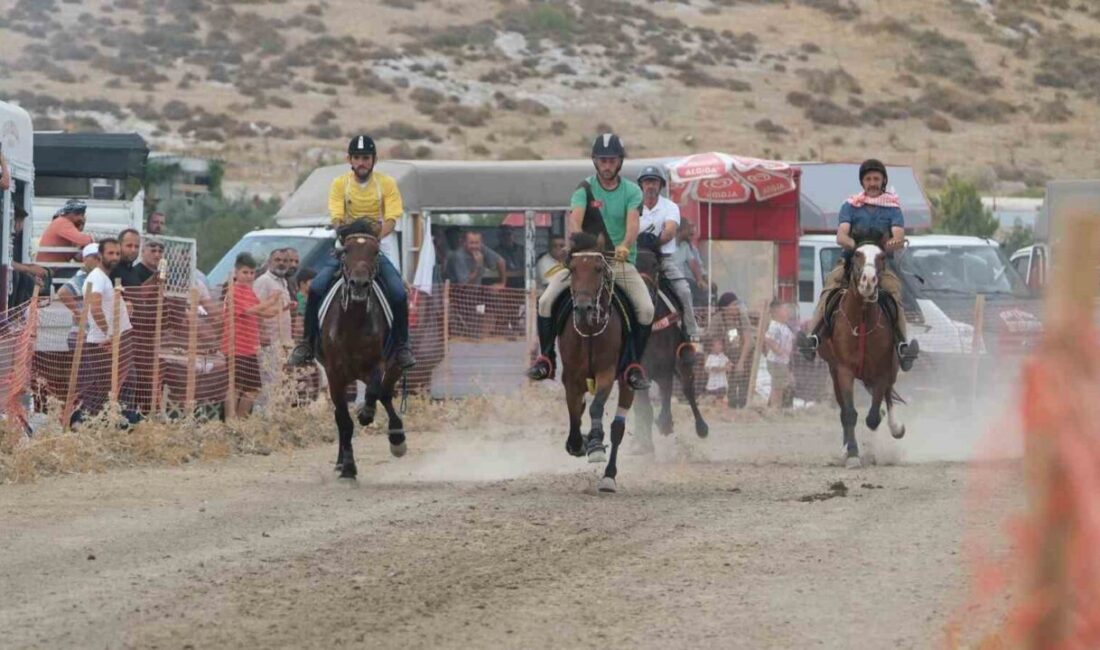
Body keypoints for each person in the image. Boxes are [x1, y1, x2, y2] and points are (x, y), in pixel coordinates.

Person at [527, 133, 655, 390]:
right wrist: (579, 243)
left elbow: (632, 225)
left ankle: (632, 365)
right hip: (585, 261)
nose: (607, 165)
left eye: (612, 160)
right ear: (595, 161)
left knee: (647, 309)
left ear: (619, 162)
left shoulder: (632, 191)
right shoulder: (583, 188)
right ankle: (547, 358)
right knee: (545, 300)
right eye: (602, 160)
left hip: (619, 262)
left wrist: (625, 246)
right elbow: (575, 221)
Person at [289, 134, 415, 369]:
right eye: (357, 158)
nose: (361, 163)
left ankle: (402, 346)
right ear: (349, 159)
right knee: (316, 287)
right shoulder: (340, 184)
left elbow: (391, 218)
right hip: (347, 244)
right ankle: (306, 343)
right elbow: (336, 217)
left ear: (374, 160)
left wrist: (373, 239)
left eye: (366, 158)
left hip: (377, 243)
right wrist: (348, 237)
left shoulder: (386, 184)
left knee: (398, 292)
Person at [797, 159, 920, 371]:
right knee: (830, 288)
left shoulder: (892, 208)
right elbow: (841, 234)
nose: (872, 183)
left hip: (881, 263)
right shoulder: (850, 206)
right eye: (868, 179)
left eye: (876, 179)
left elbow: (898, 235)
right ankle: (813, 339)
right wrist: (858, 248)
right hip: (852, 259)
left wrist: (889, 244)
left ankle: (902, 345)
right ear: (863, 182)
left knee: (894, 293)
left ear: (883, 181)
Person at [636, 164, 701, 344]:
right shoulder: (632, 206)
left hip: (663, 258)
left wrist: (653, 243)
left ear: (661, 185)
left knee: (684, 291)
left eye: (654, 182)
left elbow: (670, 231)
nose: (650, 186)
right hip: (636, 259)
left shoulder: (670, 206)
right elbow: (627, 231)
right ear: (641, 185)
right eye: (647, 182)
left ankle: (690, 330)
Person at [75, 238, 134, 420]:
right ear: (100, 255)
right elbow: (95, 308)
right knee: (106, 389)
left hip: (110, 340)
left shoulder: (104, 278)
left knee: (112, 387)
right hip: (103, 343)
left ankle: (105, 425)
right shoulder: (97, 278)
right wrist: (110, 334)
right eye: (110, 253)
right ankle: (87, 424)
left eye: (117, 253)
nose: (115, 257)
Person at [223, 253, 285, 417]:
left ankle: (242, 420)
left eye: (252, 273)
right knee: (235, 386)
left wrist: (283, 308)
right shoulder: (234, 291)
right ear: (236, 272)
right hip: (235, 346)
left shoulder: (249, 292)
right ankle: (231, 420)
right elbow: (250, 310)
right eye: (245, 272)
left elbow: (263, 312)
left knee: (253, 388)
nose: (249, 276)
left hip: (250, 348)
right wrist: (271, 301)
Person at [709, 292, 754, 409]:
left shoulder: (741, 316)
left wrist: (741, 362)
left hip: (745, 353)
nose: (736, 307)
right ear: (725, 307)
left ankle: (744, 405)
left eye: (737, 304)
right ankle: (731, 405)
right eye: (733, 305)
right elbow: (710, 340)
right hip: (726, 355)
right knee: (730, 385)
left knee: (744, 381)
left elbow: (748, 340)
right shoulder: (717, 319)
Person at [9, 205, 49, 308]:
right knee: (17, 275)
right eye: (18, 222)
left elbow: (12, 262)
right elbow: (5, 262)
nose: (19, 226)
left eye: (21, 222)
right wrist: (29, 269)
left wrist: (32, 270)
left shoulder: (13, 239)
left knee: (34, 275)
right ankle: (12, 313)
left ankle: (20, 313)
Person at [35, 199, 94, 264]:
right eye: (79, 214)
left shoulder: (66, 227)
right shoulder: (62, 222)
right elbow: (85, 240)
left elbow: (78, 258)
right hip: (49, 268)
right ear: (70, 213)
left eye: (83, 215)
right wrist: (92, 240)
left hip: (55, 267)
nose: (82, 218)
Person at [764, 300, 794, 409]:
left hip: (782, 361)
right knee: (777, 386)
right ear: (776, 313)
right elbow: (768, 339)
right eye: (784, 310)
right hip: (776, 361)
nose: (787, 312)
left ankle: (774, 406)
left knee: (779, 385)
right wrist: (779, 350)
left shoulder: (784, 325)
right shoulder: (774, 325)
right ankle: (775, 407)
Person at [671, 219, 707, 305]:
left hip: (682, 280)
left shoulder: (685, 246)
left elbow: (693, 264)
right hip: (669, 279)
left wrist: (699, 280)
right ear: (682, 230)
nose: (690, 234)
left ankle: (698, 315)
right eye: (688, 230)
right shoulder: (669, 244)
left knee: (699, 289)